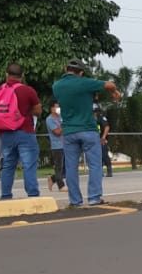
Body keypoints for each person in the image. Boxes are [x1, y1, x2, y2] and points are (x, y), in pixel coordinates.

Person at [53, 60, 122, 207]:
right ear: (81, 72)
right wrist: (115, 92)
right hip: (88, 129)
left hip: (69, 131)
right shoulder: (85, 82)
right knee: (95, 165)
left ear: (66, 69)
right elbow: (110, 85)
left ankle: (75, 200)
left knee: (71, 167)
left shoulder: (56, 86)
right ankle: (94, 197)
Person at [0, 62, 42, 200]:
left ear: (6, 74)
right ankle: (32, 194)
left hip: (6, 133)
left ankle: (5, 195)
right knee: (28, 164)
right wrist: (28, 111)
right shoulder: (27, 90)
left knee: (8, 165)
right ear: (22, 75)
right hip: (25, 131)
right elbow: (38, 111)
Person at [44, 100, 65, 193]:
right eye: (56, 107)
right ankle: (61, 186)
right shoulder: (49, 119)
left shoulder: (61, 117)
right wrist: (64, 124)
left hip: (65, 144)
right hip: (57, 146)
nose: (58, 108)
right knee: (59, 167)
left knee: (65, 167)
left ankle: (52, 179)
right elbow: (57, 132)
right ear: (52, 108)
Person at [95, 104, 113, 178]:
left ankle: (109, 170)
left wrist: (103, 137)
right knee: (97, 156)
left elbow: (107, 127)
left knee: (104, 155)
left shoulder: (101, 118)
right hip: (94, 140)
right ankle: (100, 172)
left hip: (101, 140)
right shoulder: (92, 119)